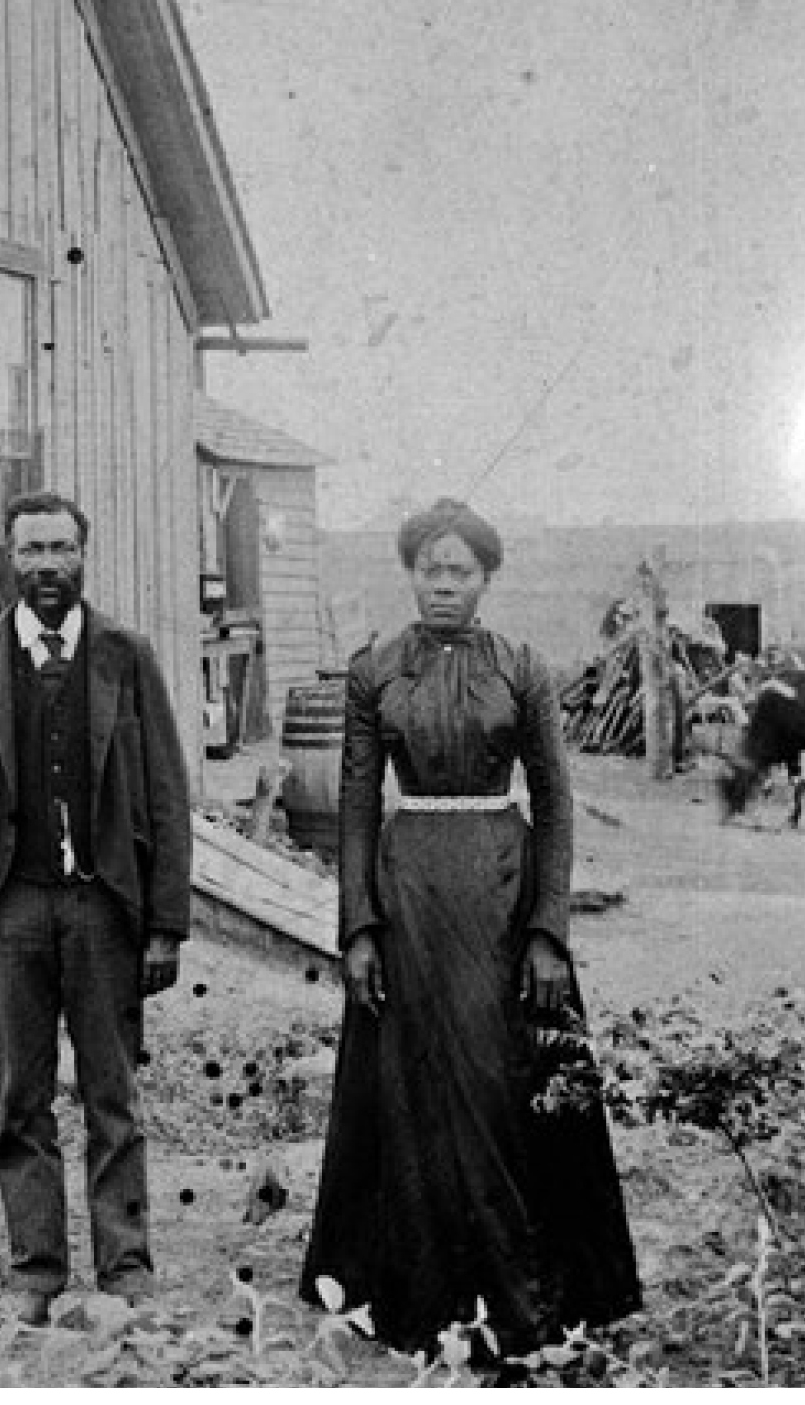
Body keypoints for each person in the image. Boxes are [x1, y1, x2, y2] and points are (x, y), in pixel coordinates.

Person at [299, 497, 640, 1353]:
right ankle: (423, 1292)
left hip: (501, 884)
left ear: (486, 577)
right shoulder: (374, 668)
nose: (443, 583)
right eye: (429, 568)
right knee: (414, 1085)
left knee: (502, 1077)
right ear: (410, 572)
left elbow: (556, 801)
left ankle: (526, 1283)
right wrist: (360, 928)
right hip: (409, 887)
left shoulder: (521, 666)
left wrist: (549, 930)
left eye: (460, 570)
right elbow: (354, 805)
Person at [0, 491, 194, 1327]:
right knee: (21, 1096)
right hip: (12, 913)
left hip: (103, 910)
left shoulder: (126, 656)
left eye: (62, 548)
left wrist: (164, 922)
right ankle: (36, 1267)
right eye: (31, 549)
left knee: (113, 1094)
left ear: (85, 556)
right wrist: (6, 840)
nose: (47, 565)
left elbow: (167, 795)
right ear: (6, 558)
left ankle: (126, 1263)